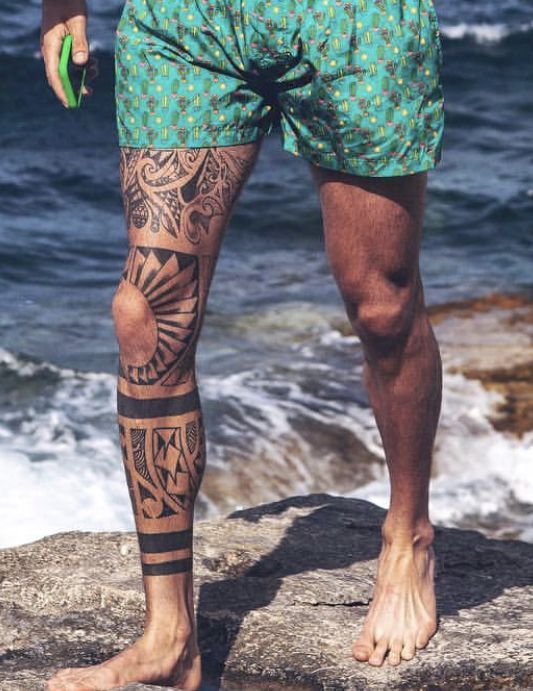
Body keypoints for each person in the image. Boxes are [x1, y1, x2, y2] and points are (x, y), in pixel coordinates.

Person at [41, 0, 444, 687]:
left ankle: (408, 534)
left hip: (351, 21)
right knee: (146, 309)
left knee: (381, 304)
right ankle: (169, 636)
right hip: (187, 24)